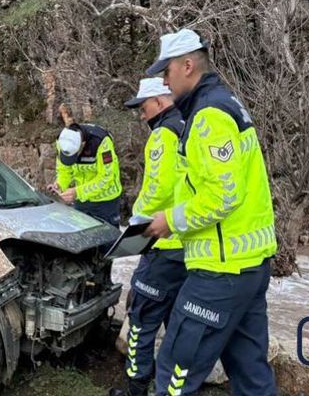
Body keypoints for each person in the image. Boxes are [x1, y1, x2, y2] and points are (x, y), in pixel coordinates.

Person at [142, 29, 277, 395]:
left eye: (166, 72)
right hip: (248, 265)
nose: (164, 81)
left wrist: (169, 221)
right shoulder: (225, 104)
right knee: (250, 373)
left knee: (174, 371)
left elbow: (222, 195)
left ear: (188, 66)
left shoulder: (209, 116)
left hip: (220, 271)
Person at [109, 78, 187, 396]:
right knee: (178, 324)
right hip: (190, 245)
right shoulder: (189, 124)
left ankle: (136, 388)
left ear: (158, 101)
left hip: (161, 243)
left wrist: (135, 221)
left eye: (143, 108)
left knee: (141, 317)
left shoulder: (162, 135)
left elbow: (157, 189)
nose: (142, 115)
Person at [49, 121, 122, 226]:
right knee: (83, 236)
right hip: (81, 199)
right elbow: (64, 169)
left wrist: (78, 192)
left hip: (106, 201)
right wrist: (60, 184)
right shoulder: (63, 140)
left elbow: (106, 177)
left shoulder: (101, 141)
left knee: (108, 239)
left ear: (82, 144)